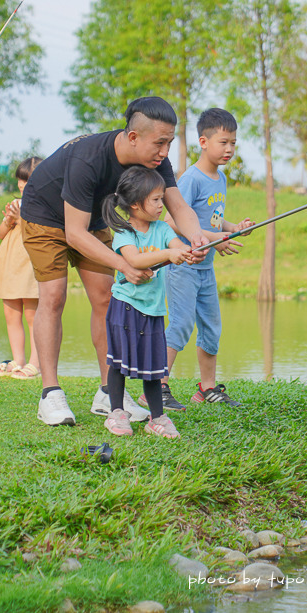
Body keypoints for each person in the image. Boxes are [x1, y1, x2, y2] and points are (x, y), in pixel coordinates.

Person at [19, 96, 230, 427]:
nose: (165, 152)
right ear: (133, 137)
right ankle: (50, 393)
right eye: (159, 143)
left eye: (169, 143)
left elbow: (179, 207)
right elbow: (74, 234)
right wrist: (125, 264)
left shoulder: (153, 161)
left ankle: (107, 394)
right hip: (45, 215)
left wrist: (198, 239)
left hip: (92, 219)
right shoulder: (88, 159)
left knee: (105, 297)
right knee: (54, 296)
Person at [157, 108, 254, 409]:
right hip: (184, 265)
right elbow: (173, 220)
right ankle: (158, 386)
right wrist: (217, 240)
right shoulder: (191, 179)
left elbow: (213, 220)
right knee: (182, 325)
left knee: (211, 327)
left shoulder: (220, 179)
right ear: (203, 141)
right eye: (223, 142)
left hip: (206, 269)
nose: (229, 149)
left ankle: (207, 389)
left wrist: (234, 229)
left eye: (233, 143)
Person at [100, 166, 196, 438]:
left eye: (161, 198)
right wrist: (167, 252)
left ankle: (157, 418)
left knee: (155, 368)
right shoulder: (124, 232)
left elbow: (176, 244)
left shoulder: (162, 228)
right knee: (118, 362)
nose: (160, 204)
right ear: (134, 204)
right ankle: (116, 413)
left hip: (153, 310)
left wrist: (185, 251)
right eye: (155, 199)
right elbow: (134, 260)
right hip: (125, 306)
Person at [0, 156, 43, 380]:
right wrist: (9, 220)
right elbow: (2, 235)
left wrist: (22, 218)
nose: (22, 186)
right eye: (20, 182)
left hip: (30, 264)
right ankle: (18, 360)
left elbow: (40, 233)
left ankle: (35, 363)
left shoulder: (45, 206)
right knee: (11, 313)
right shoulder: (16, 203)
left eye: (27, 182)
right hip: (9, 263)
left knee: (33, 316)